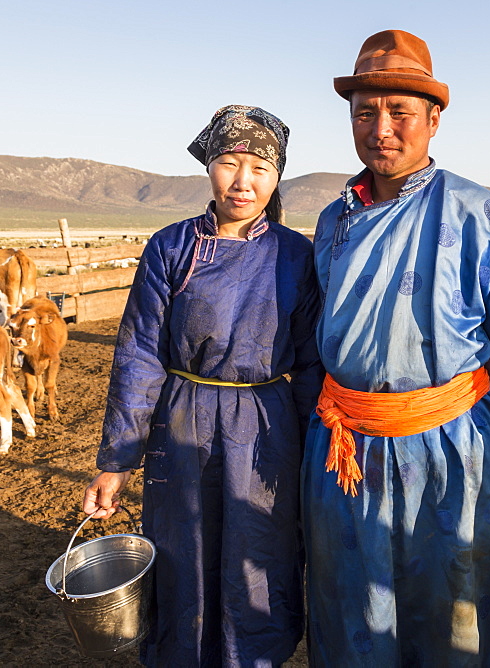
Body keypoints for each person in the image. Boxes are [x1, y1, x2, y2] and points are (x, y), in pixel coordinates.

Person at [302, 30, 490, 665]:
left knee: (458, 605)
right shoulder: (332, 220)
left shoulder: (478, 212)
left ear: (433, 119)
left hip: (453, 447)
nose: (380, 127)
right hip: (346, 448)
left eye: (399, 112)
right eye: (364, 111)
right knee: (354, 600)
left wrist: (442, 410)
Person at [82, 105, 323, 666]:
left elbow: (311, 363)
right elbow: (140, 353)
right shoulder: (171, 248)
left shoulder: (296, 254)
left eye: (259, 168)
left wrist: (322, 446)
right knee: (182, 549)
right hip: (183, 418)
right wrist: (116, 460)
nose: (243, 181)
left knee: (259, 550)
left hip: (268, 426)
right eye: (228, 163)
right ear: (208, 167)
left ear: (277, 176)